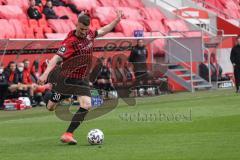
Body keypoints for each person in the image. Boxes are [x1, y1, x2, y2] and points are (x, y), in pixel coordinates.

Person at [39, 10, 124, 145]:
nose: (84, 32)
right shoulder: (70, 41)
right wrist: (45, 74)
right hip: (66, 79)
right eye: (82, 28)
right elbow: (56, 57)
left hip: (81, 79)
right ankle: (50, 91)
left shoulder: (89, 34)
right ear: (76, 25)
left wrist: (116, 21)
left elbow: (102, 31)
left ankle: (68, 134)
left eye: (86, 29)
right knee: (50, 107)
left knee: (87, 104)